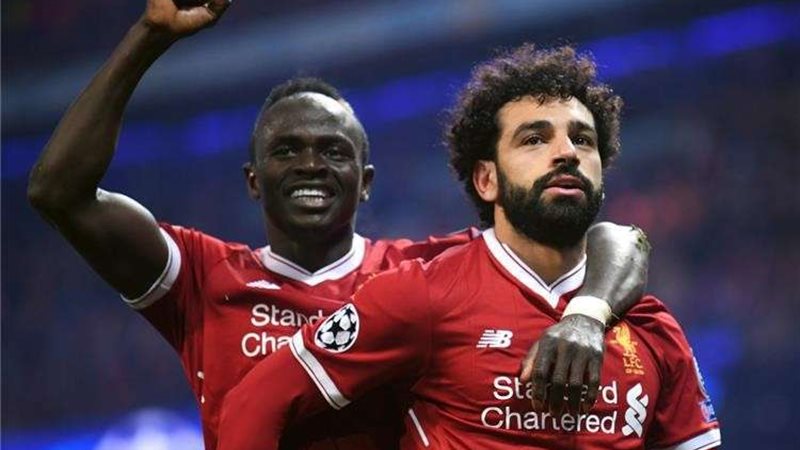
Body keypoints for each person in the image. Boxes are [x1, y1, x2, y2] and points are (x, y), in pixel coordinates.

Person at [27, 1, 649, 449]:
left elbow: (611, 239)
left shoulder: (422, 272)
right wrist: (148, 36)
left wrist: (587, 311)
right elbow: (58, 191)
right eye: (287, 150)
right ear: (253, 180)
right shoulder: (201, 276)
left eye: (333, 151)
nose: (310, 165)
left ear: (366, 180)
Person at [217, 44, 721, 450]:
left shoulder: (654, 330)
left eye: (583, 140)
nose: (566, 152)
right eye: (534, 139)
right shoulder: (422, 295)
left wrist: (588, 315)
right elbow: (256, 402)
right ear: (486, 179)